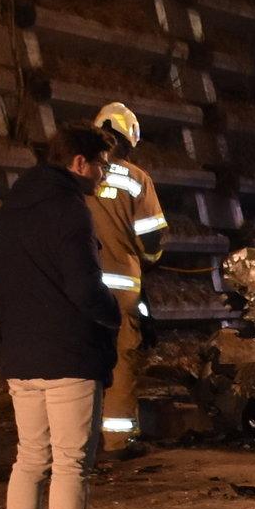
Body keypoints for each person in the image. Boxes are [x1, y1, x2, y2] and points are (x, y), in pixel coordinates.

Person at [0, 125, 125, 509]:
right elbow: (85, 288)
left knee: (29, 459)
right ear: (80, 164)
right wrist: (114, 315)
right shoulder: (70, 209)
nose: (104, 173)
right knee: (70, 465)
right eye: (101, 164)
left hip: (21, 354)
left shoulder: (12, 208)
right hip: (68, 354)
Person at [86, 101, 170, 458]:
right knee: (120, 360)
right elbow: (152, 239)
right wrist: (147, 261)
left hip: (76, 284)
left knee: (77, 362)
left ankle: (77, 441)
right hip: (120, 288)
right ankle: (119, 441)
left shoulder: (75, 173)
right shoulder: (135, 179)